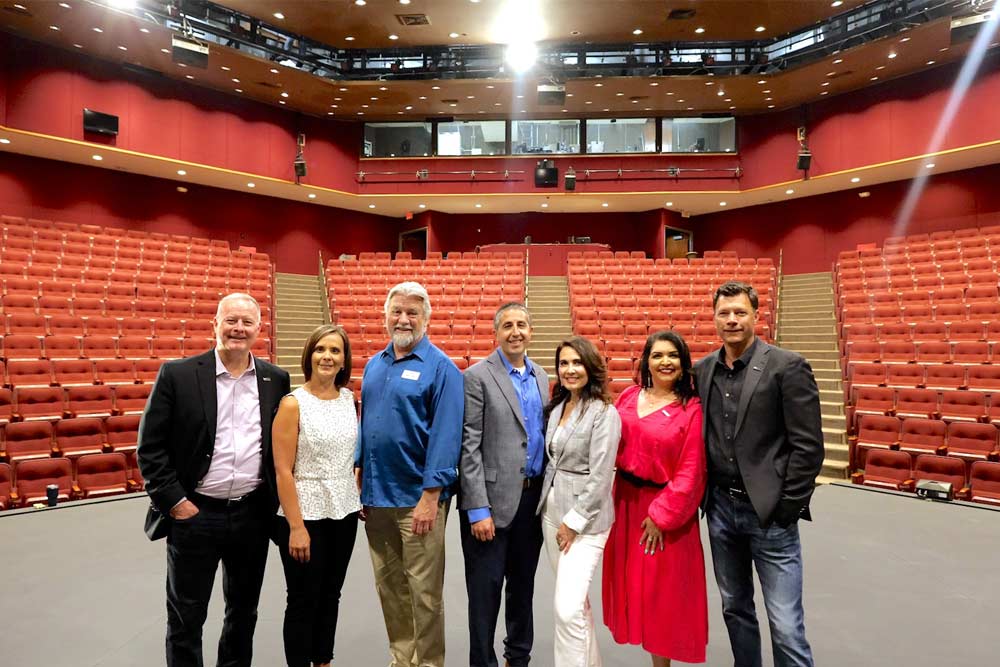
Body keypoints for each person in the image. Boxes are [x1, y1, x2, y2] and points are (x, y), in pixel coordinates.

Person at [137, 292, 291, 667]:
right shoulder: (178, 374)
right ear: (216, 325)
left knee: (243, 611)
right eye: (231, 320)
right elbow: (150, 447)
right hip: (195, 513)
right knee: (186, 616)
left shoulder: (275, 379)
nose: (238, 329)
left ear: (260, 329)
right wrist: (176, 502)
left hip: (252, 514)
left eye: (246, 322)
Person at [694, 281, 824, 667]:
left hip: (769, 514)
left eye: (740, 312)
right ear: (714, 318)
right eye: (724, 313)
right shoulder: (703, 370)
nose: (732, 320)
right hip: (719, 510)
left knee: (785, 624)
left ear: (756, 315)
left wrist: (787, 507)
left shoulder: (788, 366)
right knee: (735, 608)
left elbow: (808, 447)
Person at [354, 281, 464, 667]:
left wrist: (431, 496)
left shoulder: (443, 369)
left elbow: (446, 436)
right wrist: (360, 469)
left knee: (424, 593)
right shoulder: (374, 364)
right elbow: (366, 422)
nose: (403, 319)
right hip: (376, 497)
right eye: (397, 311)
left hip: (418, 500)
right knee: (391, 589)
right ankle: (403, 658)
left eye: (412, 312)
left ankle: (430, 662)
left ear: (426, 318)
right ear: (386, 316)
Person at [602, 330, 708, 666]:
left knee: (662, 600)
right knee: (637, 593)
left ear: (683, 363)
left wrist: (662, 516)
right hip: (625, 505)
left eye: (672, 356)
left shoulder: (691, 409)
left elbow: (691, 471)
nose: (665, 362)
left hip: (662, 512)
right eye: (657, 355)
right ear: (646, 361)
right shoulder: (630, 396)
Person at [460, 302, 549, 667]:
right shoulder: (477, 376)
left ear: (531, 331)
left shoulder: (542, 375)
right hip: (491, 505)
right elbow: (468, 446)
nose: (516, 331)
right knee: (485, 594)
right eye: (508, 325)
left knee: (522, 589)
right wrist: (477, 509)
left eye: (522, 325)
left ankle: (519, 656)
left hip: (532, 502)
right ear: (496, 333)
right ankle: (483, 661)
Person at [272, 324, 361, 667]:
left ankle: (323, 660)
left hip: (344, 510)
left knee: (331, 595)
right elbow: (283, 470)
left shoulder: (348, 398)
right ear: (309, 355)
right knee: (302, 598)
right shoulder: (293, 403)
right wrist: (295, 527)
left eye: (335, 351)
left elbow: (349, 453)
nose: (327, 356)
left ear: (344, 361)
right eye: (320, 349)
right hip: (303, 513)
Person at [537, 336, 621, 667]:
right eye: (564, 363)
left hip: (584, 522)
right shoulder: (558, 407)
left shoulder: (604, 412)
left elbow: (601, 477)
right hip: (551, 514)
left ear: (590, 367)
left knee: (567, 608)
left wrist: (573, 523)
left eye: (577, 362)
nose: (570, 369)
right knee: (578, 604)